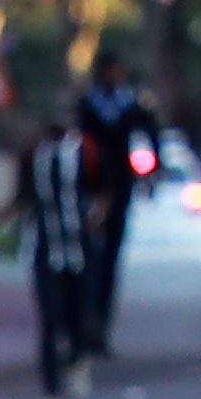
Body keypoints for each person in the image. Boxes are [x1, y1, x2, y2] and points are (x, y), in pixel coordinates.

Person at [66, 50, 148, 373]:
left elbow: (149, 135)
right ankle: (81, 328)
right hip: (88, 188)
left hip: (119, 189)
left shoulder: (131, 104)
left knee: (110, 264)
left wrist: (150, 170)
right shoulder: (88, 105)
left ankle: (100, 330)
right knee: (85, 262)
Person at [13, 118, 87, 399]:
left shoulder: (84, 153)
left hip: (80, 249)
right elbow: (25, 193)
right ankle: (52, 397)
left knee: (77, 316)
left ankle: (77, 358)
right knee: (49, 322)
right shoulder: (32, 155)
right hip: (45, 250)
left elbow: (103, 187)